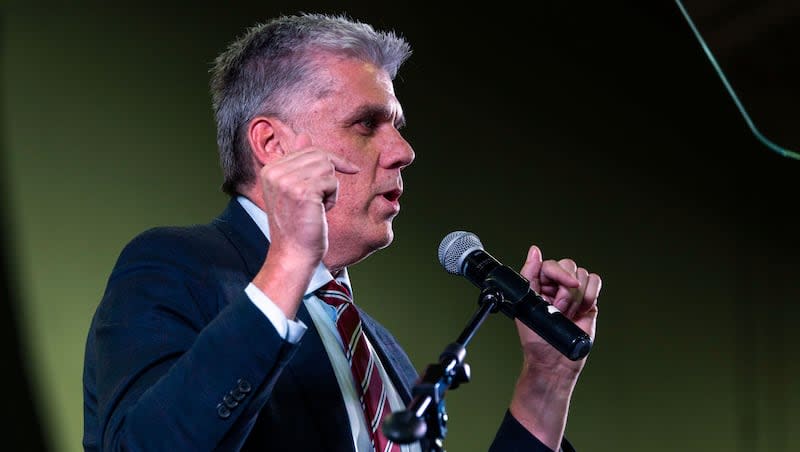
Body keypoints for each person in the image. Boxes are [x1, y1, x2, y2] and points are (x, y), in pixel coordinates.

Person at [82, 12, 601, 452]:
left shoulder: (380, 350)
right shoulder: (173, 268)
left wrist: (546, 383)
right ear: (272, 145)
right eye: (366, 124)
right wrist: (288, 264)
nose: (403, 151)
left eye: (396, 125)